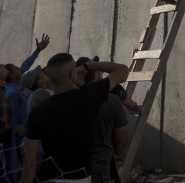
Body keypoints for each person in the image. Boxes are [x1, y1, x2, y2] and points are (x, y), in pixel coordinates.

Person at [20, 54, 129, 183]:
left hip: (49, 177)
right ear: (72, 74)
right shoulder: (87, 98)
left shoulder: (38, 111)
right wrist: (88, 66)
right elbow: (122, 70)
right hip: (79, 178)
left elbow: (30, 161)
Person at [91, 85, 129, 183]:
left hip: (67, 173)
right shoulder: (111, 95)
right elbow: (120, 144)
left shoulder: (62, 99)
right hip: (99, 172)